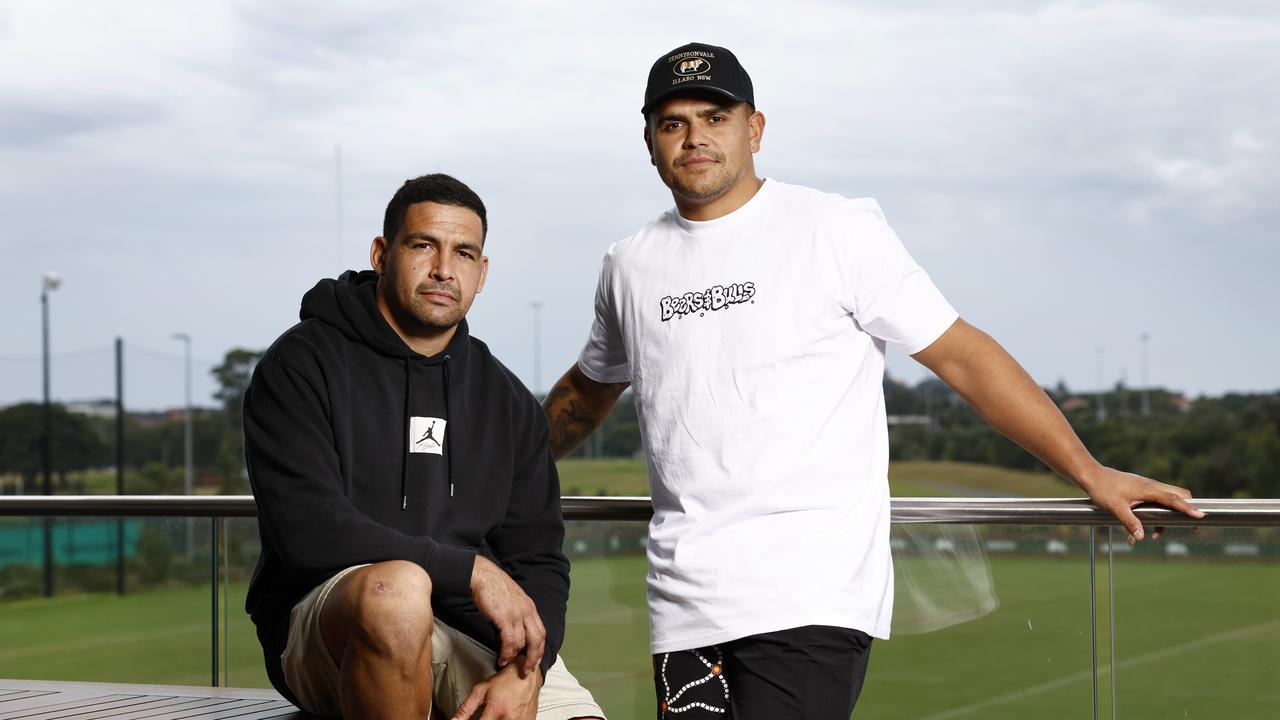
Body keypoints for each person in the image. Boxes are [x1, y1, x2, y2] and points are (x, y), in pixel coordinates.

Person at [542, 42, 1204, 719]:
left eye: (714, 116)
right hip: (683, 602)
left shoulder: (833, 228)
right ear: (650, 142)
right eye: (672, 122)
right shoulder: (630, 265)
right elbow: (590, 389)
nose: (694, 137)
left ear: (755, 128)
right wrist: (496, 472)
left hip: (809, 595)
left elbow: (963, 357)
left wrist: (1089, 472)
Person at [244, 173, 605, 720]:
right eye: (422, 246)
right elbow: (310, 532)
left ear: (482, 273)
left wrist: (529, 666)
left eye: (464, 253)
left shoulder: (505, 398)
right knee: (399, 591)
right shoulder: (300, 364)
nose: (443, 269)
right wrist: (474, 572)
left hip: (468, 629)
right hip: (330, 625)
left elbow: (539, 559)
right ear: (381, 253)